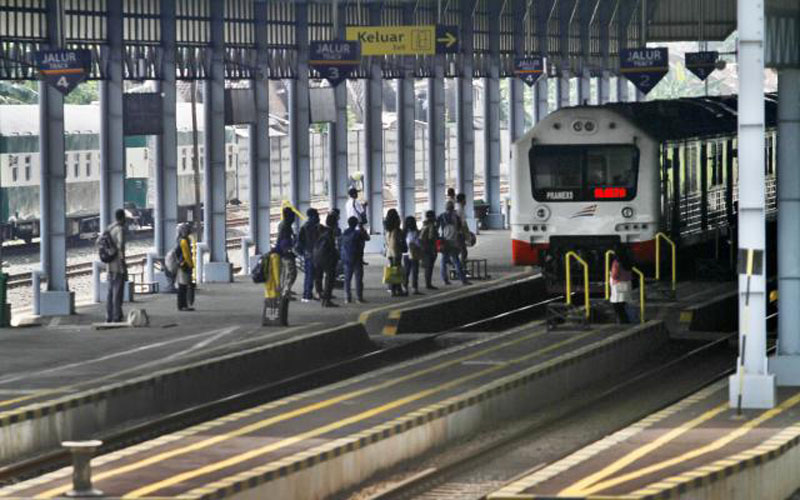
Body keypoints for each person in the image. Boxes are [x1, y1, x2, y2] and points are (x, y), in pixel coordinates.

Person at [438, 201, 470, 286]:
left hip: (445, 241)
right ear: (453, 208)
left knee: (443, 261)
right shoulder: (456, 217)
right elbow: (459, 229)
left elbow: (437, 228)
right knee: (456, 260)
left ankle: (445, 279)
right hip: (453, 241)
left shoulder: (441, 216)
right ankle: (463, 280)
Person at [340, 216, 370, 304]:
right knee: (358, 279)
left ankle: (347, 297)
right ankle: (359, 297)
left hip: (346, 258)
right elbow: (367, 238)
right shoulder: (358, 233)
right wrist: (362, 228)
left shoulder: (345, 233)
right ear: (356, 223)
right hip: (357, 258)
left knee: (347, 279)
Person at [105, 208, 127, 322]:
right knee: (117, 292)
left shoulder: (110, 228)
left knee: (110, 291)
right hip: (118, 265)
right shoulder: (119, 229)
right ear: (123, 218)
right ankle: (116, 316)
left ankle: (109, 316)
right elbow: (121, 246)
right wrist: (123, 263)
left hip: (109, 265)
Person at [296, 208, 321, 302]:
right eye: (317, 214)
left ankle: (307, 294)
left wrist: (303, 253)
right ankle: (308, 295)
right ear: (313, 216)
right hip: (315, 254)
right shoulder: (315, 227)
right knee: (314, 275)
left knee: (309, 275)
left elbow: (299, 242)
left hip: (308, 254)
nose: (318, 216)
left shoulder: (304, 227)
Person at [314, 213, 340, 307]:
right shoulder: (330, 233)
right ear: (335, 223)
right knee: (329, 278)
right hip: (326, 258)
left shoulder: (322, 230)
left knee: (318, 277)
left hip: (316, 256)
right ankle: (326, 300)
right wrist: (337, 257)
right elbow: (331, 247)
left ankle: (320, 294)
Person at [275, 207, 297, 297]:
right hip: (285, 252)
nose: (294, 219)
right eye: (292, 216)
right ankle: (285, 292)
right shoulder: (286, 226)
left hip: (283, 251)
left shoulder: (283, 224)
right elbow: (281, 239)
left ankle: (285, 290)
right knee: (292, 273)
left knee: (285, 273)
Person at [610, 244, 634, 324]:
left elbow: (614, 275)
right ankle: (627, 319)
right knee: (624, 303)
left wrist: (610, 274)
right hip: (627, 283)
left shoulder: (617, 262)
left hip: (618, 285)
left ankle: (623, 321)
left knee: (616, 304)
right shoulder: (628, 260)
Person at [384, 208, 405, 297]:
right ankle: (395, 290)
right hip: (395, 253)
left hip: (389, 253)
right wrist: (396, 254)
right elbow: (394, 243)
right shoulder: (395, 231)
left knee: (393, 271)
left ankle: (396, 289)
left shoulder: (387, 229)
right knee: (396, 271)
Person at [176, 222, 195, 311]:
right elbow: (186, 254)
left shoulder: (180, 240)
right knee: (183, 286)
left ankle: (183, 305)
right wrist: (191, 265)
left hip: (182, 265)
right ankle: (182, 305)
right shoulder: (184, 241)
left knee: (182, 286)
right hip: (184, 266)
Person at [419, 210, 439, 290]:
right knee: (429, 267)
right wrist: (434, 249)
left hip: (424, 248)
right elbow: (431, 238)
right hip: (429, 248)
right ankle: (428, 284)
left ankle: (428, 283)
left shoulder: (424, 225)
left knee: (427, 266)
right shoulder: (431, 226)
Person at [403, 215, 423, 295]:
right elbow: (418, 243)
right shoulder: (416, 232)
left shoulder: (403, 233)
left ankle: (405, 287)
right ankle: (414, 288)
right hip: (414, 254)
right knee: (415, 271)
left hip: (405, 254)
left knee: (407, 271)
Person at [455, 193, 469, 265]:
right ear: (462, 200)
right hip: (459, 233)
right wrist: (467, 235)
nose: (466, 201)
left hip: (457, 233)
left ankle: (458, 266)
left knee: (459, 251)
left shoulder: (459, 208)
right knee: (463, 252)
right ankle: (461, 268)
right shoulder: (460, 209)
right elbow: (463, 224)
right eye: (465, 199)